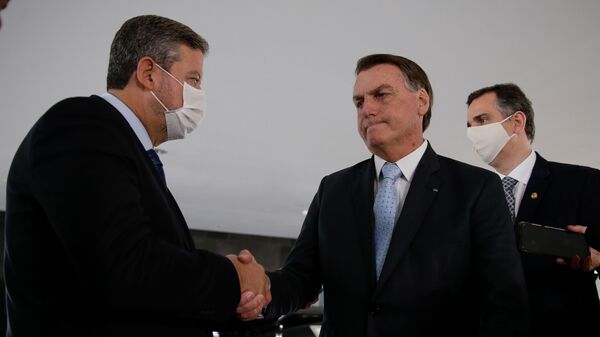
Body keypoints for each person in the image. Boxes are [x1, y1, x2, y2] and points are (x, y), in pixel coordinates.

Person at [4, 15, 269, 337]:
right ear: (148, 74)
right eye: (194, 79)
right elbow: (125, 267)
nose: (199, 92)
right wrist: (232, 277)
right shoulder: (80, 126)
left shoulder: (132, 153)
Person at [253, 54, 529, 336]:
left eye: (381, 95)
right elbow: (300, 279)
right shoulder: (333, 189)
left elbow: (504, 301)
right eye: (359, 102)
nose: (366, 110)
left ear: (422, 102)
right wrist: (257, 290)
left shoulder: (476, 188)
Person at [465, 83, 600, 337]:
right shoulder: (470, 195)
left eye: (482, 120)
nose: (473, 133)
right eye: (469, 126)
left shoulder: (582, 182)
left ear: (517, 121)